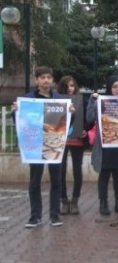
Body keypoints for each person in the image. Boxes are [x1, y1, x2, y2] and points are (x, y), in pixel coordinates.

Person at [12, 67, 72, 228]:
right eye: (43, 77)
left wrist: (70, 114)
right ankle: (35, 216)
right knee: (34, 182)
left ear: (52, 80)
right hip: (35, 145)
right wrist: (15, 112)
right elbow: (19, 122)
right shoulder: (28, 99)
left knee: (56, 182)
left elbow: (66, 125)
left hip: (54, 145)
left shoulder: (59, 99)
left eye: (48, 77)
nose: (46, 80)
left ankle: (55, 215)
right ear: (37, 80)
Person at [87, 76, 118, 216]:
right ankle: (103, 203)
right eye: (114, 86)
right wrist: (92, 101)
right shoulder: (101, 101)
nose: (117, 89)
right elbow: (89, 118)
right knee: (104, 174)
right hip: (105, 146)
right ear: (108, 88)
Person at [56, 76, 87, 216]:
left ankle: (75, 200)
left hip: (77, 138)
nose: (70, 89)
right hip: (61, 139)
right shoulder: (56, 100)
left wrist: (85, 129)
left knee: (77, 170)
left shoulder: (81, 100)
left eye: (72, 86)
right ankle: (64, 201)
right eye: (67, 86)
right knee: (60, 170)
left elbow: (87, 117)